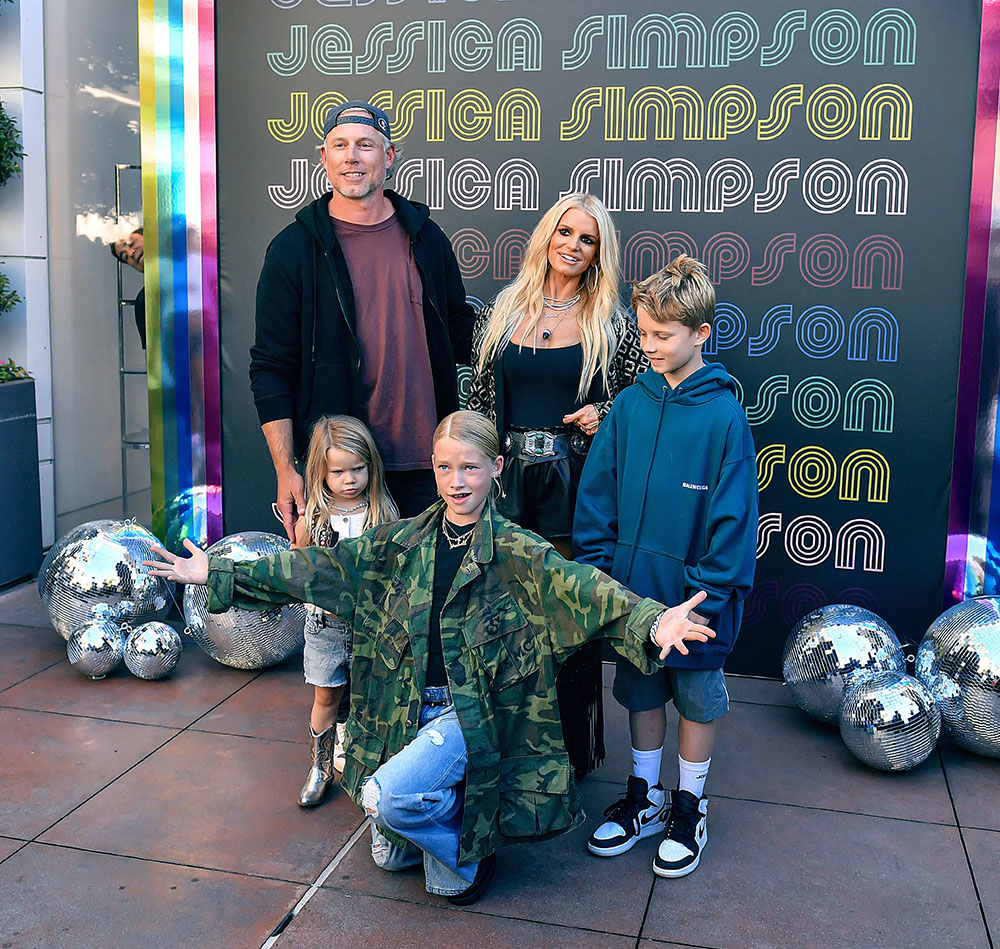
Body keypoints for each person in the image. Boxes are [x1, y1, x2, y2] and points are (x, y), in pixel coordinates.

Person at [144, 410, 715, 906]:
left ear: (496, 468)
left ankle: (472, 852)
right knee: (390, 858)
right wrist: (219, 571)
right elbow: (315, 570)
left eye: (470, 467)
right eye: (444, 467)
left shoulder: (519, 553)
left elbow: (588, 589)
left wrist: (654, 619)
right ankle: (453, 808)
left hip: (469, 717)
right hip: (405, 710)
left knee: (392, 805)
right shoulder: (400, 543)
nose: (456, 481)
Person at [574, 256, 758, 879]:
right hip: (633, 596)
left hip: (696, 602)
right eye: (645, 333)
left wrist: (707, 594)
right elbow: (597, 495)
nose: (649, 346)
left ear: (701, 333)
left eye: (663, 335)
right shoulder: (628, 405)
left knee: (696, 698)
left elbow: (734, 518)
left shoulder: (725, 415)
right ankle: (645, 799)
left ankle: (689, 805)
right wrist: (600, 574)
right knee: (640, 693)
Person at [466, 192, 648, 776]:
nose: (572, 245)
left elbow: (643, 399)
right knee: (499, 610)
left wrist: (606, 410)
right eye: (564, 232)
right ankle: (505, 742)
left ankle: (567, 751)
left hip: (572, 483)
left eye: (587, 239)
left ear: (600, 253)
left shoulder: (612, 323)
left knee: (563, 612)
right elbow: (476, 395)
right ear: (547, 236)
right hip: (506, 481)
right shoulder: (503, 308)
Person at [250, 99, 476, 535]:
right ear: (324, 157)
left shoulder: (427, 238)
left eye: (365, 145)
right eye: (340, 145)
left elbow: (463, 333)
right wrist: (285, 468)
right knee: (340, 602)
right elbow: (271, 367)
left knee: (422, 599)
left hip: (427, 468)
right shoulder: (294, 249)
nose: (352, 156)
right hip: (342, 474)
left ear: (389, 157)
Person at [293, 415, 399, 808]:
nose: (349, 479)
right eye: (338, 471)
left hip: (371, 624)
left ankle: (364, 763)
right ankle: (319, 767)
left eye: (358, 469)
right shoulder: (314, 519)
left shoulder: (382, 514)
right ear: (321, 472)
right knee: (326, 697)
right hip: (325, 625)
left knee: (370, 698)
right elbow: (295, 564)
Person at [109, 228, 145, 349]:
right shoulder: (144, 301)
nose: (131, 253)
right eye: (125, 257)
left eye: (131, 243)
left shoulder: (193, 251)